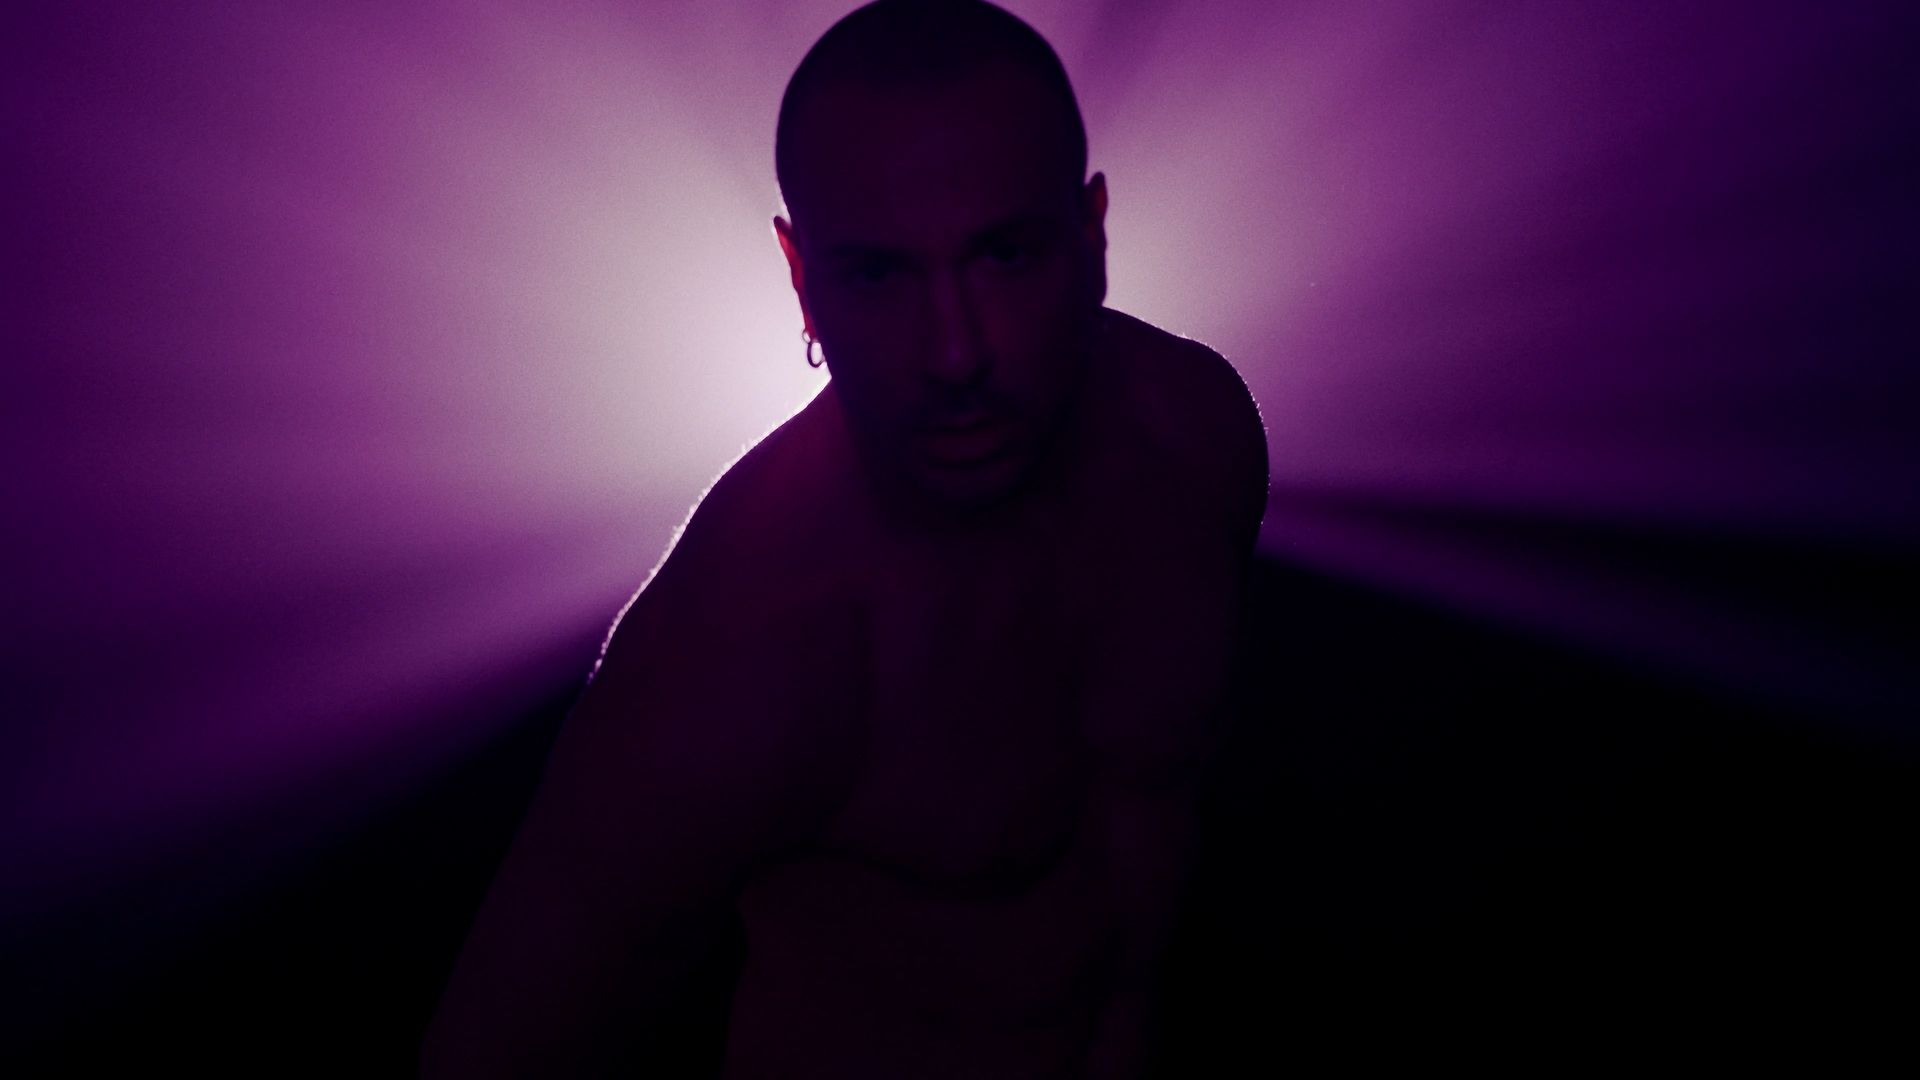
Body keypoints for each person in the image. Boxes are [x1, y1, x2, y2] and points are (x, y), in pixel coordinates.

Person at [421, 1, 1267, 1076]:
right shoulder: (739, 651)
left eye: (1004, 255)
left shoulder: (1194, 431)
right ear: (800, 273)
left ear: (1092, 232)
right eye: (880, 274)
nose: (956, 353)